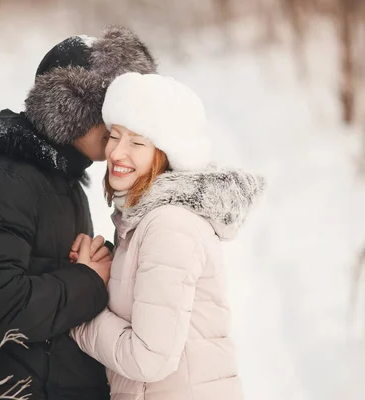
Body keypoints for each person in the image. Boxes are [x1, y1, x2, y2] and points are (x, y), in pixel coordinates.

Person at [0, 27, 157, 399]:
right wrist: (87, 280)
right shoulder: (2, 178)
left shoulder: (59, 177)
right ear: (73, 109)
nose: (120, 125)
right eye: (109, 111)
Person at [70, 72, 265, 400]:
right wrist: (96, 280)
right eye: (115, 136)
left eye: (137, 142)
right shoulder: (142, 221)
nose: (118, 153)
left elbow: (148, 359)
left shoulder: (169, 226)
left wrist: (76, 310)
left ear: (166, 152)